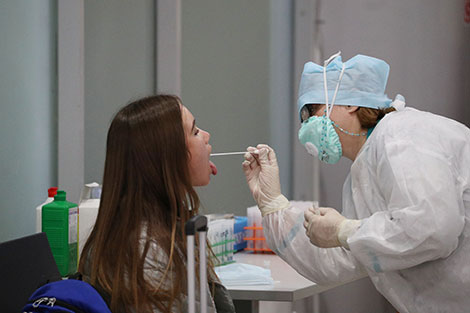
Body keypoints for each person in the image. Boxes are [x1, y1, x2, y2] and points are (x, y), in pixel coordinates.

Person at [242, 52, 470, 313]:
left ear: (350, 103)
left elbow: (433, 229)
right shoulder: (360, 178)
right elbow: (340, 259)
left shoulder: (403, 136)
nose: (306, 126)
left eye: (311, 112)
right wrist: (272, 204)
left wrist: (345, 231)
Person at [79, 95, 234, 313]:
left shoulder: (167, 227)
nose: (207, 136)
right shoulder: (144, 250)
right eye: (195, 132)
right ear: (168, 157)